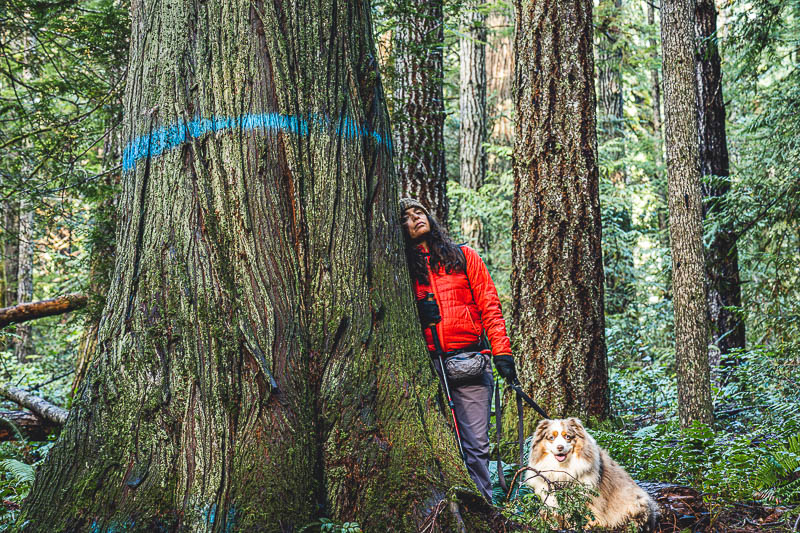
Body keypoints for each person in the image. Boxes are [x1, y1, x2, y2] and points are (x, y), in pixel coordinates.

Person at [399, 197, 518, 501]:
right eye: (407, 218)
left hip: (470, 362)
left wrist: (502, 353)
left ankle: (484, 507)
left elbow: (490, 306)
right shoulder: (401, 271)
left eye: (419, 213)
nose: (416, 219)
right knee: (442, 444)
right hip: (429, 367)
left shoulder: (464, 256)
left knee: (476, 445)